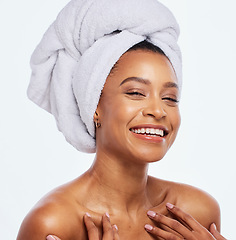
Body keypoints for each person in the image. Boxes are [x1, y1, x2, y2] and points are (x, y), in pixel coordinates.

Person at [17, 0, 227, 239]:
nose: (159, 111)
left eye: (170, 98)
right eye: (136, 93)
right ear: (94, 106)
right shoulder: (53, 223)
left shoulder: (195, 213)